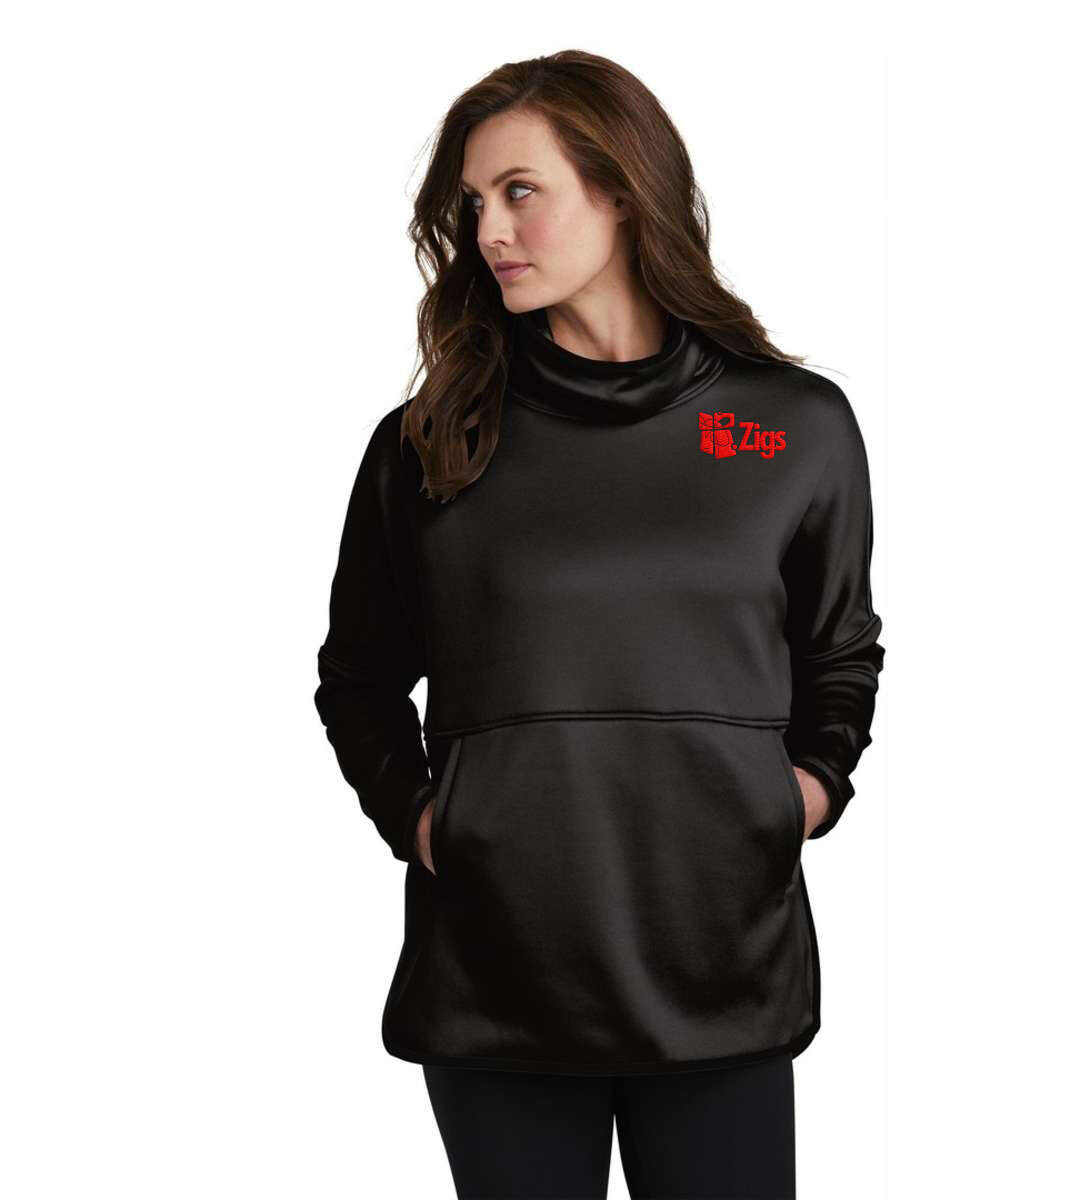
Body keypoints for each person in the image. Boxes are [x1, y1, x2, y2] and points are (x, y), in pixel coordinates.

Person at [313, 49, 885, 1200]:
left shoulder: (792, 425)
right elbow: (357, 678)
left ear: (621, 189)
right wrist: (421, 819)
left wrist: (806, 792)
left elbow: (839, 654)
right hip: (499, 976)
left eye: (520, 191)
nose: (488, 230)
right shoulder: (428, 443)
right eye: (474, 202)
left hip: (719, 967)